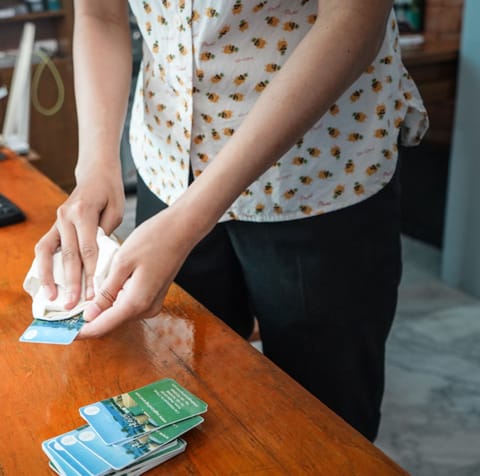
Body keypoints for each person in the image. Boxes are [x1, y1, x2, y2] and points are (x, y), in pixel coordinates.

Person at [34, 0, 427, 441]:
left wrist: (186, 222)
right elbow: (100, 14)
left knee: (324, 421)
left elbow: (354, 20)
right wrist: (94, 165)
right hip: (167, 165)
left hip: (317, 176)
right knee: (178, 397)